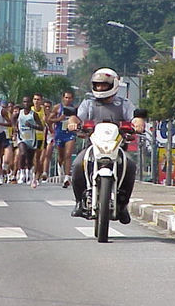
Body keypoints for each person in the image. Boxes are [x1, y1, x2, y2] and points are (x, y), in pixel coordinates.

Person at [67, 68, 146, 224]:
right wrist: (72, 123)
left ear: (114, 84)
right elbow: (75, 117)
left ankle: (123, 206)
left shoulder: (124, 104)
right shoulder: (88, 103)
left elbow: (135, 118)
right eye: (97, 85)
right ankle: (78, 202)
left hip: (117, 148)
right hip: (93, 147)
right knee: (77, 165)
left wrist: (138, 124)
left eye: (104, 85)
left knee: (130, 166)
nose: (100, 88)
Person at [13, 96, 44, 188]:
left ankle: (28, 174)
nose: (26, 104)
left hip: (31, 139)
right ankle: (22, 173)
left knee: (30, 159)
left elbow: (41, 127)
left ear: (30, 104)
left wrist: (31, 125)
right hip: (21, 138)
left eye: (27, 102)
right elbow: (12, 118)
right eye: (24, 102)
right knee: (22, 153)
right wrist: (15, 127)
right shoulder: (20, 113)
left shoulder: (33, 114)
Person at [49, 91, 77, 188]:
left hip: (70, 133)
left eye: (69, 98)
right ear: (63, 98)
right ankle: (60, 166)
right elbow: (49, 119)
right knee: (61, 156)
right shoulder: (57, 107)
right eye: (66, 97)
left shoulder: (75, 108)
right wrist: (59, 119)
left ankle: (67, 177)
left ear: (72, 99)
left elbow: (79, 119)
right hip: (60, 133)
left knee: (68, 155)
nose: (68, 100)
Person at [31, 93, 45, 183]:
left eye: (38, 99)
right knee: (32, 157)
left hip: (41, 137)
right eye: (35, 99)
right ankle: (32, 174)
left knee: (38, 158)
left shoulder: (44, 110)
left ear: (41, 101)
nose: (36, 101)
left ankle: (37, 175)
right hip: (31, 136)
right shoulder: (30, 110)